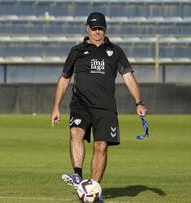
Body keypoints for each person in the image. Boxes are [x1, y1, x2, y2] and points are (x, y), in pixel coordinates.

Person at [51, 12, 148, 201]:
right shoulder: (77, 51)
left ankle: (92, 190)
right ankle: (78, 176)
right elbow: (64, 79)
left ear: (105, 29)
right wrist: (56, 106)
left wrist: (139, 102)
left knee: (101, 147)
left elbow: (128, 76)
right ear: (87, 28)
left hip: (105, 107)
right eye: (94, 28)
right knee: (75, 133)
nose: (97, 32)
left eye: (101, 29)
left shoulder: (115, 51)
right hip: (81, 104)